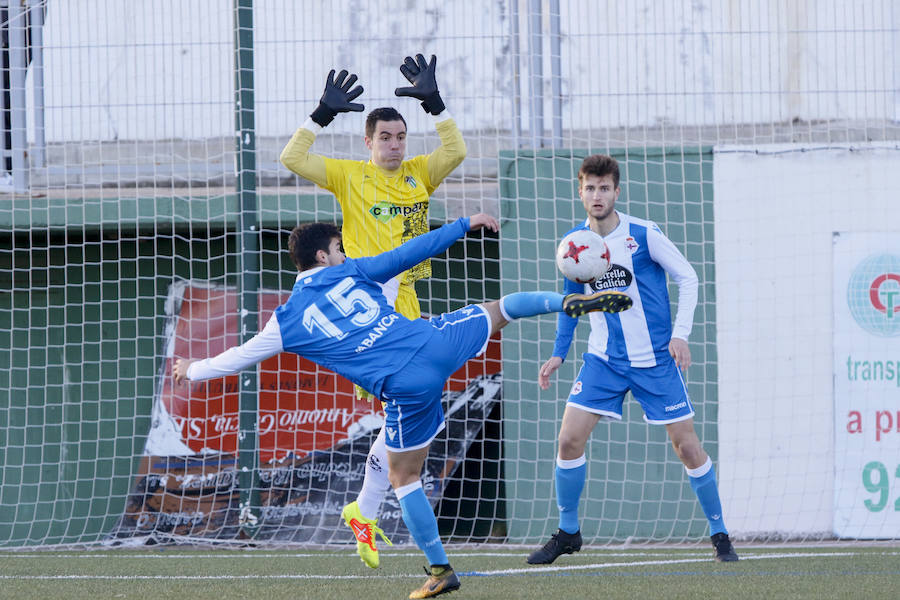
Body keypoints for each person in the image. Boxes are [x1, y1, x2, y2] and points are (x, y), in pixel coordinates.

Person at [173, 213, 632, 598]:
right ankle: (570, 300)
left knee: (405, 476)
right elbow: (412, 253)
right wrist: (462, 224)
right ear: (322, 256)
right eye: (338, 247)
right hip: (432, 342)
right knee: (501, 309)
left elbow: (236, 358)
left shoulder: (286, 321)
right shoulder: (351, 272)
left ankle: (438, 571)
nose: (344, 254)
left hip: (406, 384)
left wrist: (191, 369)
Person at [279, 54, 466, 569]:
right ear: (368, 141)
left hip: (408, 300)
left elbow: (457, 148)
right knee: (402, 410)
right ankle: (367, 507)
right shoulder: (348, 177)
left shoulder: (419, 174)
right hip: (367, 309)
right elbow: (292, 158)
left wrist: (434, 102)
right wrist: (320, 115)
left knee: (401, 413)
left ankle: (363, 509)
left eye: (401, 136)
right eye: (385, 136)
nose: (395, 144)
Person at [528, 154, 739, 564]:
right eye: (589, 188)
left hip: (656, 361)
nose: (597, 195)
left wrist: (680, 335)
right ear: (580, 191)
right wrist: (558, 355)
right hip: (604, 360)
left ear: (616, 191)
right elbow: (571, 305)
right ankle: (568, 532)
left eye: (604, 188)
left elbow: (688, 277)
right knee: (568, 440)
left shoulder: (642, 234)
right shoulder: (574, 246)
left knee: (687, 447)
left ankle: (720, 535)